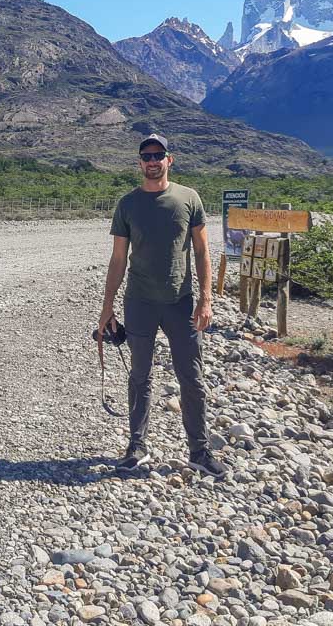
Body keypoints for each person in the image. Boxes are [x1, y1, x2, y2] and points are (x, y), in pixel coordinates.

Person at [98, 133, 227, 477]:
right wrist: (107, 307)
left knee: (192, 378)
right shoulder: (127, 204)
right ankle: (136, 447)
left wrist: (206, 300)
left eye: (159, 155)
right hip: (139, 302)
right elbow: (117, 259)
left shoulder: (188, 198)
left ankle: (199, 451)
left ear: (170, 160)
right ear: (139, 163)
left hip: (181, 303)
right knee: (139, 376)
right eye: (147, 156)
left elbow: (202, 252)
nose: (153, 161)